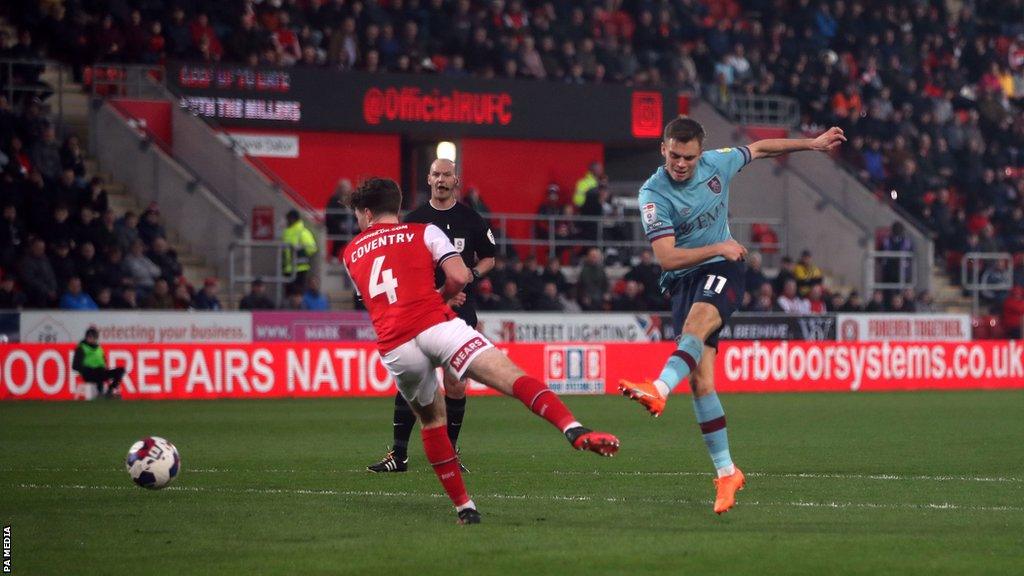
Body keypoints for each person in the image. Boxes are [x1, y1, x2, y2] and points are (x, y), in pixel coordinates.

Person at [343, 177, 618, 524]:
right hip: (435, 324)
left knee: (431, 421)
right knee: (511, 377)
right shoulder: (423, 231)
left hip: (395, 344)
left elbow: (371, 300)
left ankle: (464, 508)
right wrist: (440, 297)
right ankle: (572, 428)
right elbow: (459, 276)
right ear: (395, 208)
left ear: (366, 214)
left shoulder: (350, 252)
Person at [618, 116, 845, 514]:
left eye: (688, 156)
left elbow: (760, 148)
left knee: (697, 325)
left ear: (699, 153)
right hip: (685, 278)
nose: (681, 164)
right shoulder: (653, 194)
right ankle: (727, 473)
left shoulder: (717, 163)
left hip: (724, 269)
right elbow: (667, 257)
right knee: (702, 383)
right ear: (663, 150)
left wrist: (810, 144)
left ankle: (658, 387)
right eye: (674, 156)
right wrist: (718, 246)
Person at [367, 158, 496, 474]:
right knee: (412, 377)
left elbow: (489, 258)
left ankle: (450, 453)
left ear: (456, 180)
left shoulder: (471, 218)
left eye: (447, 175)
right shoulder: (413, 220)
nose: (441, 179)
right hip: (422, 308)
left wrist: (470, 276)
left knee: (456, 383)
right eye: (436, 174)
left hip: (460, 310)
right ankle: (399, 455)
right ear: (428, 179)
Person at [72, 327, 125, 399]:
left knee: (121, 370)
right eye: (89, 337)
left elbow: (104, 362)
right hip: (88, 373)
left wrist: (103, 369)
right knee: (99, 374)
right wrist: (84, 370)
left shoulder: (99, 349)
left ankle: (110, 390)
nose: (91, 339)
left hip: (100, 371)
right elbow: (75, 365)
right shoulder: (81, 348)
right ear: (86, 337)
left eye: (93, 337)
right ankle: (101, 393)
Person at [282, 209, 318, 289]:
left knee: (297, 294)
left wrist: (300, 249)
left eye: (288, 218)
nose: (287, 221)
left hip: (300, 268)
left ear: (292, 219)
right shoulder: (286, 232)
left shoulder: (303, 232)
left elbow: (312, 248)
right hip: (287, 268)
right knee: (289, 294)